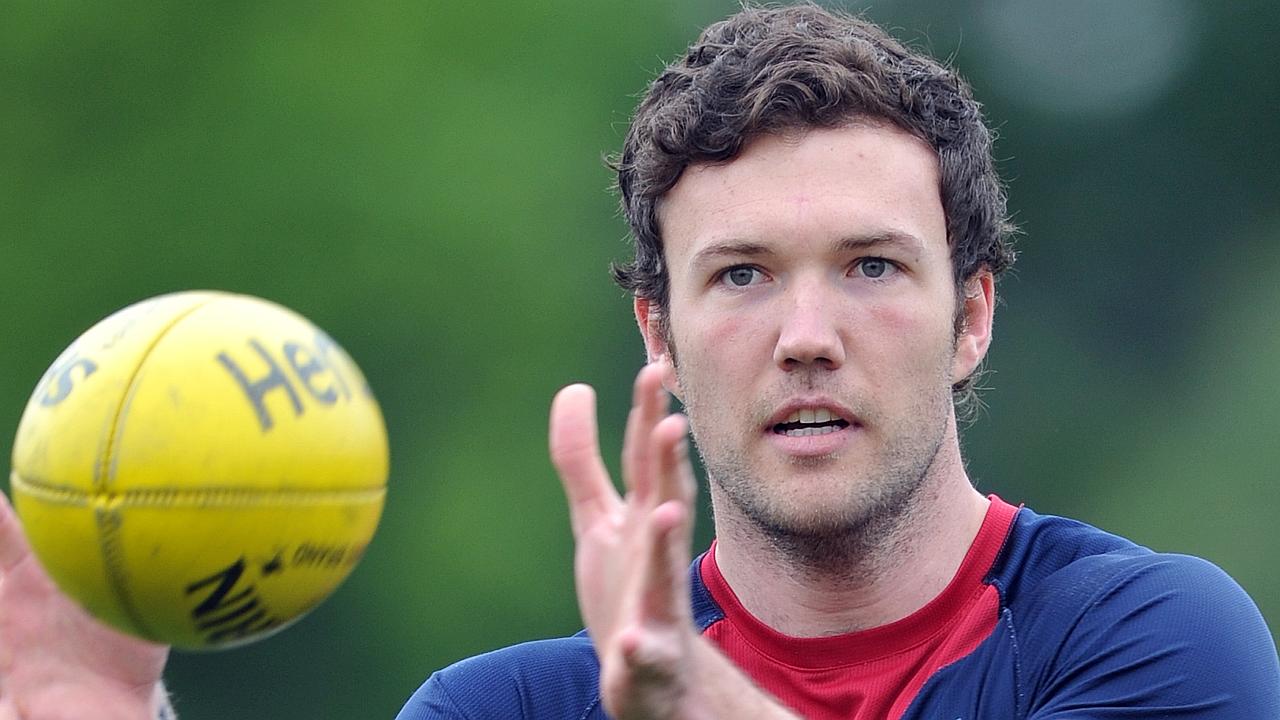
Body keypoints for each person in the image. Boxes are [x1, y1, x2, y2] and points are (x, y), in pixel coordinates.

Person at [1, 4, 1277, 719]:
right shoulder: (502, 716)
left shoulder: (1147, 638)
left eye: (873, 267)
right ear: (656, 335)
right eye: (740, 276)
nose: (806, 335)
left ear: (974, 316)